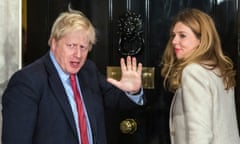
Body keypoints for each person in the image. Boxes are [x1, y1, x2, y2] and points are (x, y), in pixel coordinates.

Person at [2, 10, 144, 144]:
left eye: (83, 47)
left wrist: (133, 91)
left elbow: (118, 102)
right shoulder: (27, 81)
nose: (78, 54)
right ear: (53, 43)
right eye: (71, 45)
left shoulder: (89, 71)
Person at [160, 8, 240, 144]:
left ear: (201, 39)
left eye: (182, 35)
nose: (174, 41)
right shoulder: (218, 69)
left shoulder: (193, 72)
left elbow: (199, 133)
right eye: (173, 35)